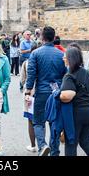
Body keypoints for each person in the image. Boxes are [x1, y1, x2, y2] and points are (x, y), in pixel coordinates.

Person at [25, 27, 67, 156]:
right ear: (54, 38)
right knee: (54, 122)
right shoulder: (61, 55)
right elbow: (65, 74)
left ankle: (42, 145)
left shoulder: (36, 53)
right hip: (56, 92)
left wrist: (28, 91)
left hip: (42, 91)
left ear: (42, 38)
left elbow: (31, 74)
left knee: (38, 122)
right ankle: (54, 151)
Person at [60, 46, 89, 156]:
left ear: (70, 58)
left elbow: (67, 96)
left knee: (71, 143)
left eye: (65, 56)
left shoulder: (69, 76)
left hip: (76, 113)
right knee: (86, 141)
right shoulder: (88, 73)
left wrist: (57, 95)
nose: (63, 58)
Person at [20, 44, 39, 152]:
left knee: (31, 120)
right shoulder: (44, 62)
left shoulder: (26, 63)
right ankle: (44, 144)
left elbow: (22, 80)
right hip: (43, 92)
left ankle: (33, 145)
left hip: (29, 93)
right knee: (43, 120)